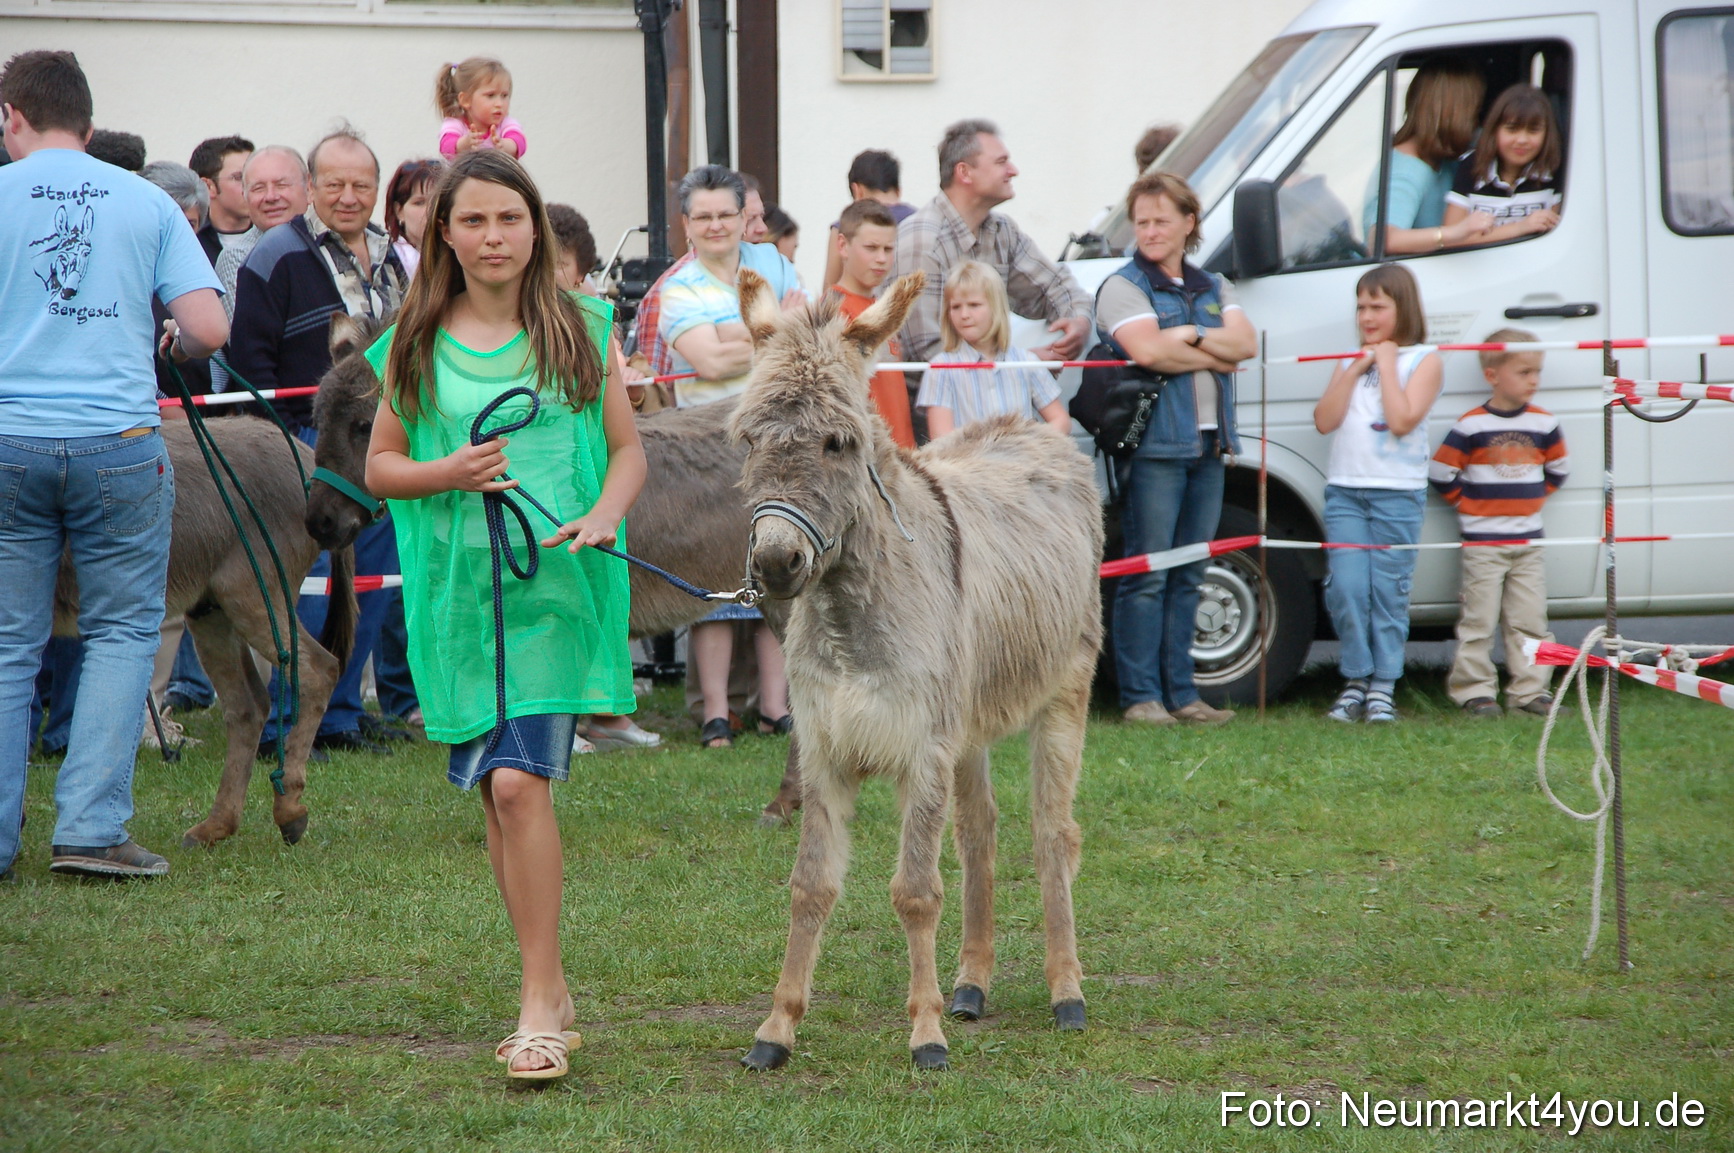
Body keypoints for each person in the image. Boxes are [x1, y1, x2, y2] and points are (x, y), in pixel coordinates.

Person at [362, 149, 644, 1078]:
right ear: (444, 232)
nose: (493, 237)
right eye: (474, 221)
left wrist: (604, 514)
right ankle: (548, 981)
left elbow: (627, 451)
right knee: (498, 789)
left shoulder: (584, 327)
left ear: (536, 226)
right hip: (460, 599)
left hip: (555, 591)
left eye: (509, 219)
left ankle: (538, 1004)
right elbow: (382, 468)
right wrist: (446, 473)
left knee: (521, 785)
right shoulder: (414, 339)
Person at [0, 49, 227, 880]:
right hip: (120, 445)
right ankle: (91, 830)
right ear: (90, 129)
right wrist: (168, 334)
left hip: (8, 440)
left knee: (6, 644)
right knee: (124, 629)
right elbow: (209, 328)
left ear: (10, 118)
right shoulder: (145, 199)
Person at [229, 125, 410, 755]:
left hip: (383, 446)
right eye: (333, 183)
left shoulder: (400, 256)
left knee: (370, 582)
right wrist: (281, 450)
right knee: (303, 588)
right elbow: (247, 363)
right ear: (311, 187)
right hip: (307, 443)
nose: (349, 196)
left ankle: (337, 717)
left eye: (362, 184)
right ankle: (289, 720)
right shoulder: (276, 254)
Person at [1096, 171, 1257, 727]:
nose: (1149, 230)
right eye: (1141, 221)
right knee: (1147, 572)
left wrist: (1186, 339)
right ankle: (1141, 697)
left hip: (1211, 447)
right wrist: (1207, 348)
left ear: (1189, 223)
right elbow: (1148, 352)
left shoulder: (1213, 284)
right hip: (1156, 451)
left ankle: (1183, 695)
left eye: (1162, 220)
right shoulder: (1122, 286)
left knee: (1191, 570)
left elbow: (1247, 345)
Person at [659, 164, 801, 748]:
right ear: (686, 224)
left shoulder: (775, 264)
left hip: (776, 440)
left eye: (727, 214)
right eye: (704, 216)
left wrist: (734, 337)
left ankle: (775, 707)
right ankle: (716, 713)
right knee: (712, 583)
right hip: (709, 447)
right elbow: (709, 366)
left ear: (745, 217)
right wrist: (773, 329)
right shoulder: (678, 288)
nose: (717, 225)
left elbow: (803, 329)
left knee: (780, 574)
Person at [1312, 264, 1442, 723]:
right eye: (1361, 306)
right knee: (1346, 588)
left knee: (1387, 593)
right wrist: (1355, 369)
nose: (1366, 316)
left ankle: (1383, 685)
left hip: (1396, 495)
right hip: (1346, 491)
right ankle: (1356, 679)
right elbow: (1325, 420)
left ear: (1401, 308)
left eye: (1378, 306)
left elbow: (1403, 419)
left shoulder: (1424, 359)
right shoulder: (1349, 359)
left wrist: (1386, 364)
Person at [1429, 329, 1569, 717]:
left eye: (1537, 371)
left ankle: (1530, 692)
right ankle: (1474, 691)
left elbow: (1558, 469)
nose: (1534, 380)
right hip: (1482, 545)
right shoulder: (1471, 426)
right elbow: (1441, 471)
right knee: (1479, 620)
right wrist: (1470, 504)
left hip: (1528, 544)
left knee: (1529, 620)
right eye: (1524, 372)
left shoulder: (1544, 423)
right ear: (1493, 375)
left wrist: (1532, 501)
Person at [895, 119, 1093, 371]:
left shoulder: (1002, 230)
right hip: (930, 407)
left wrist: (1079, 322)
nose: (1013, 170)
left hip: (991, 401)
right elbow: (926, 353)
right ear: (964, 172)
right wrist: (1019, 363)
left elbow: (1056, 287)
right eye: (1001, 162)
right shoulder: (922, 241)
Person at [916, 261, 1071, 438]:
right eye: (956, 307)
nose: (964, 315)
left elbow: (1061, 420)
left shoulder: (1025, 361)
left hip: (1023, 462)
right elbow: (941, 437)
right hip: (970, 463)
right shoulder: (940, 368)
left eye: (974, 305)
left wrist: (1031, 446)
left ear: (996, 307)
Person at [1366, 59, 1490, 254]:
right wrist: (1454, 233)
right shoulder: (1407, 171)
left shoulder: (1442, 160)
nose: (1476, 121)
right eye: (1474, 112)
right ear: (1456, 115)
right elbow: (1383, 239)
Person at [829, 198, 915, 448]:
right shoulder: (834, 310)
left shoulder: (884, 306)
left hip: (900, 454)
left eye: (888, 249)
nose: (881, 258)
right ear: (843, 246)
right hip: (869, 457)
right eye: (871, 247)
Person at [1442, 84, 1563, 247]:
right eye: (1512, 129)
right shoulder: (1471, 166)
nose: (1522, 140)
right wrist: (1520, 228)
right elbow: (1451, 238)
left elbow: (1556, 233)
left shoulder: (1555, 169)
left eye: (1533, 131)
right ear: (1494, 130)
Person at [212, 145, 311, 322]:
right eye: (258, 188)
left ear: (309, 188)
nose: (271, 197)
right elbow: (245, 340)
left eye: (282, 185)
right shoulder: (238, 258)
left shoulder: (330, 242)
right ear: (245, 195)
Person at [820, 148, 915, 292]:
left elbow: (829, 291)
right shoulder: (920, 222)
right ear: (898, 190)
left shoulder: (843, 227)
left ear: (857, 190)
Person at [436, 57, 526, 160]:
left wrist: (504, 145)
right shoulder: (456, 124)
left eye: (504, 95)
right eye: (490, 95)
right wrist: (463, 144)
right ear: (466, 100)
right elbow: (445, 148)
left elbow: (519, 142)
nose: (500, 104)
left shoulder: (506, 124)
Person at [188, 135, 255, 262]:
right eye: (239, 177)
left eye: (254, 175)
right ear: (208, 187)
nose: (252, 186)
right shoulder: (190, 237)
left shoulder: (274, 235)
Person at [384, 157, 441, 280]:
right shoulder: (384, 263)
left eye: (437, 201)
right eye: (419, 203)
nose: (430, 211)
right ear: (399, 211)